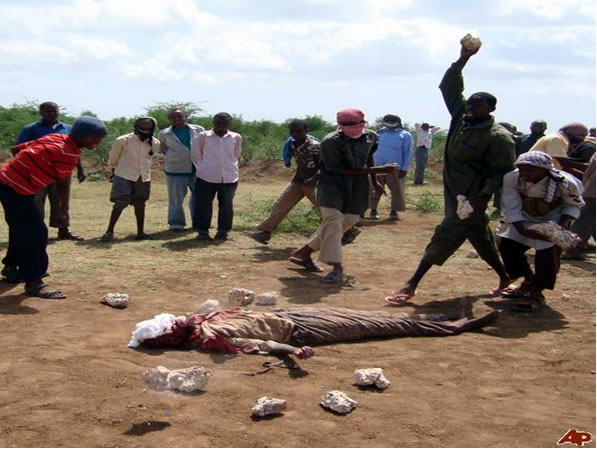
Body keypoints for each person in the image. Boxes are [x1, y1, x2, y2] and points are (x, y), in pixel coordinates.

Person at [386, 39, 516, 304]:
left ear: (491, 110)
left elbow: (501, 172)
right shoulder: (461, 118)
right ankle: (505, 276)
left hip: (472, 196)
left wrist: (482, 197)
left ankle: (412, 283)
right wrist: (463, 58)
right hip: (452, 191)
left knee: (448, 231)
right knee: (478, 234)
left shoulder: (498, 138)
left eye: (478, 105)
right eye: (471, 103)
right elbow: (449, 87)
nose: (471, 108)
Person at [0, 116, 107, 298]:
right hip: (16, 189)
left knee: (20, 227)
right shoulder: (67, 153)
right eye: (95, 137)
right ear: (82, 135)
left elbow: (16, 149)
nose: (98, 142)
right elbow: (63, 185)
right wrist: (63, 209)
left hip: (6, 180)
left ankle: (11, 268)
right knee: (36, 233)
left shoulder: (56, 137)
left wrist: (26, 169)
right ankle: (35, 281)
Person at [132, 306, 500, 357]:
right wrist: (292, 353)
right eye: (172, 324)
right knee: (378, 326)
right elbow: (259, 342)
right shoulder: (209, 339)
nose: (177, 319)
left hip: (289, 313)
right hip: (299, 330)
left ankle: (440, 317)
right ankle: (456, 327)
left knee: (371, 315)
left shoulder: (202, 321)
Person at [289, 108, 394, 281]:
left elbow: (369, 156)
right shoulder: (330, 142)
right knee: (333, 220)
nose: (351, 127)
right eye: (346, 125)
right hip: (331, 184)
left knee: (349, 221)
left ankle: (304, 252)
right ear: (339, 125)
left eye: (354, 124)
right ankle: (337, 267)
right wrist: (378, 170)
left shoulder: (371, 136)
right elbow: (337, 170)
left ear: (363, 122)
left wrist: (375, 180)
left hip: (358, 185)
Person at [497, 152, 584, 312]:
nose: (524, 174)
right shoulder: (512, 178)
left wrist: (560, 228)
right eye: (521, 169)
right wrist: (522, 229)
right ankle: (529, 281)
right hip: (524, 216)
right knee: (507, 247)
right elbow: (511, 205)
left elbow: (573, 205)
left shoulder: (566, 182)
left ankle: (536, 294)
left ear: (544, 169)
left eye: (529, 170)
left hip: (554, 218)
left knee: (548, 255)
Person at [17, 101, 87, 241]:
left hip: (62, 173)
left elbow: (74, 151)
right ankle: (35, 232)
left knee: (61, 201)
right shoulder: (31, 129)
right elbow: (20, 149)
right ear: (41, 113)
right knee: (36, 203)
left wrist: (80, 169)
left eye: (54, 110)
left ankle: (63, 230)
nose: (52, 114)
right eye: (48, 111)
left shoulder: (68, 129)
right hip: (38, 173)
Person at [247, 120, 320, 244]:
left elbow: (324, 165)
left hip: (313, 183)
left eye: (299, 131)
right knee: (280, 205)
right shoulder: (291, 144)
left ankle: (349, 230)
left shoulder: (314, 146)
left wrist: (314, 180)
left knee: (324, 209)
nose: (295, 134)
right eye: (292, 131)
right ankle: (265, 232)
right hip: (298, 181)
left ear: (306, 131)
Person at [100, 117, 160, 242]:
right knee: (120, 203)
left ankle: (140, 232)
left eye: (148, 128)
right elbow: (113, 158)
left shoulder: (155, 143)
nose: (145, 130)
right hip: (124, 175)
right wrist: (114, 171)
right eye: (142, 127)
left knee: (140, 203)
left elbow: (151, 157)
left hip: (143, 177)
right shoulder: (123, 140)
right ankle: (109, 231)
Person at [192, 113, 242, 241]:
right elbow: (196, 155)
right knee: (203, 205)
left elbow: (235, 155)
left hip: (229, 177)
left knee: (226, 205)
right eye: (218, 122)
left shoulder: (236, 137)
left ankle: (223, 232)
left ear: (229, 123)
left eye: (224, 123)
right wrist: (204, 168)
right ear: (213, 122)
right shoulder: (203, 136)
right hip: (206, 176)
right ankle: (202, 232)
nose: (221, 125)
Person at [158, 109, 205, 232]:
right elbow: (163, 149)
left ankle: (198, 223)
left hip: (197, 170)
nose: (177, 119)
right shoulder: (164, 133)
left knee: (199, 198)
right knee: (176, 199)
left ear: (186, 117)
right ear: (170, 119)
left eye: (180, 116)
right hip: (175, 170)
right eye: (173, 117)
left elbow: (204, 146)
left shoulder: (198, 129)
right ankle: (176, 224)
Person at [368, 114, 414, 221]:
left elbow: (408, 153)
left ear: (398, 121)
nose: (390, 121)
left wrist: (405, 168)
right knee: (374, 189)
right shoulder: (378, 133)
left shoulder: (405, 135)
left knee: (397, 191)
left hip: (395, 168)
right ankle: (373, 210)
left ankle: (394, 211)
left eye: (393, 120)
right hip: (376, 167)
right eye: (387, 119)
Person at [563, 153, 595, 259]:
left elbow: (587, 173)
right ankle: (571, 249)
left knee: (588, 219)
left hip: (590, 189)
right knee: (585, 220)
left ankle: (573, 247)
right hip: (593, 192)